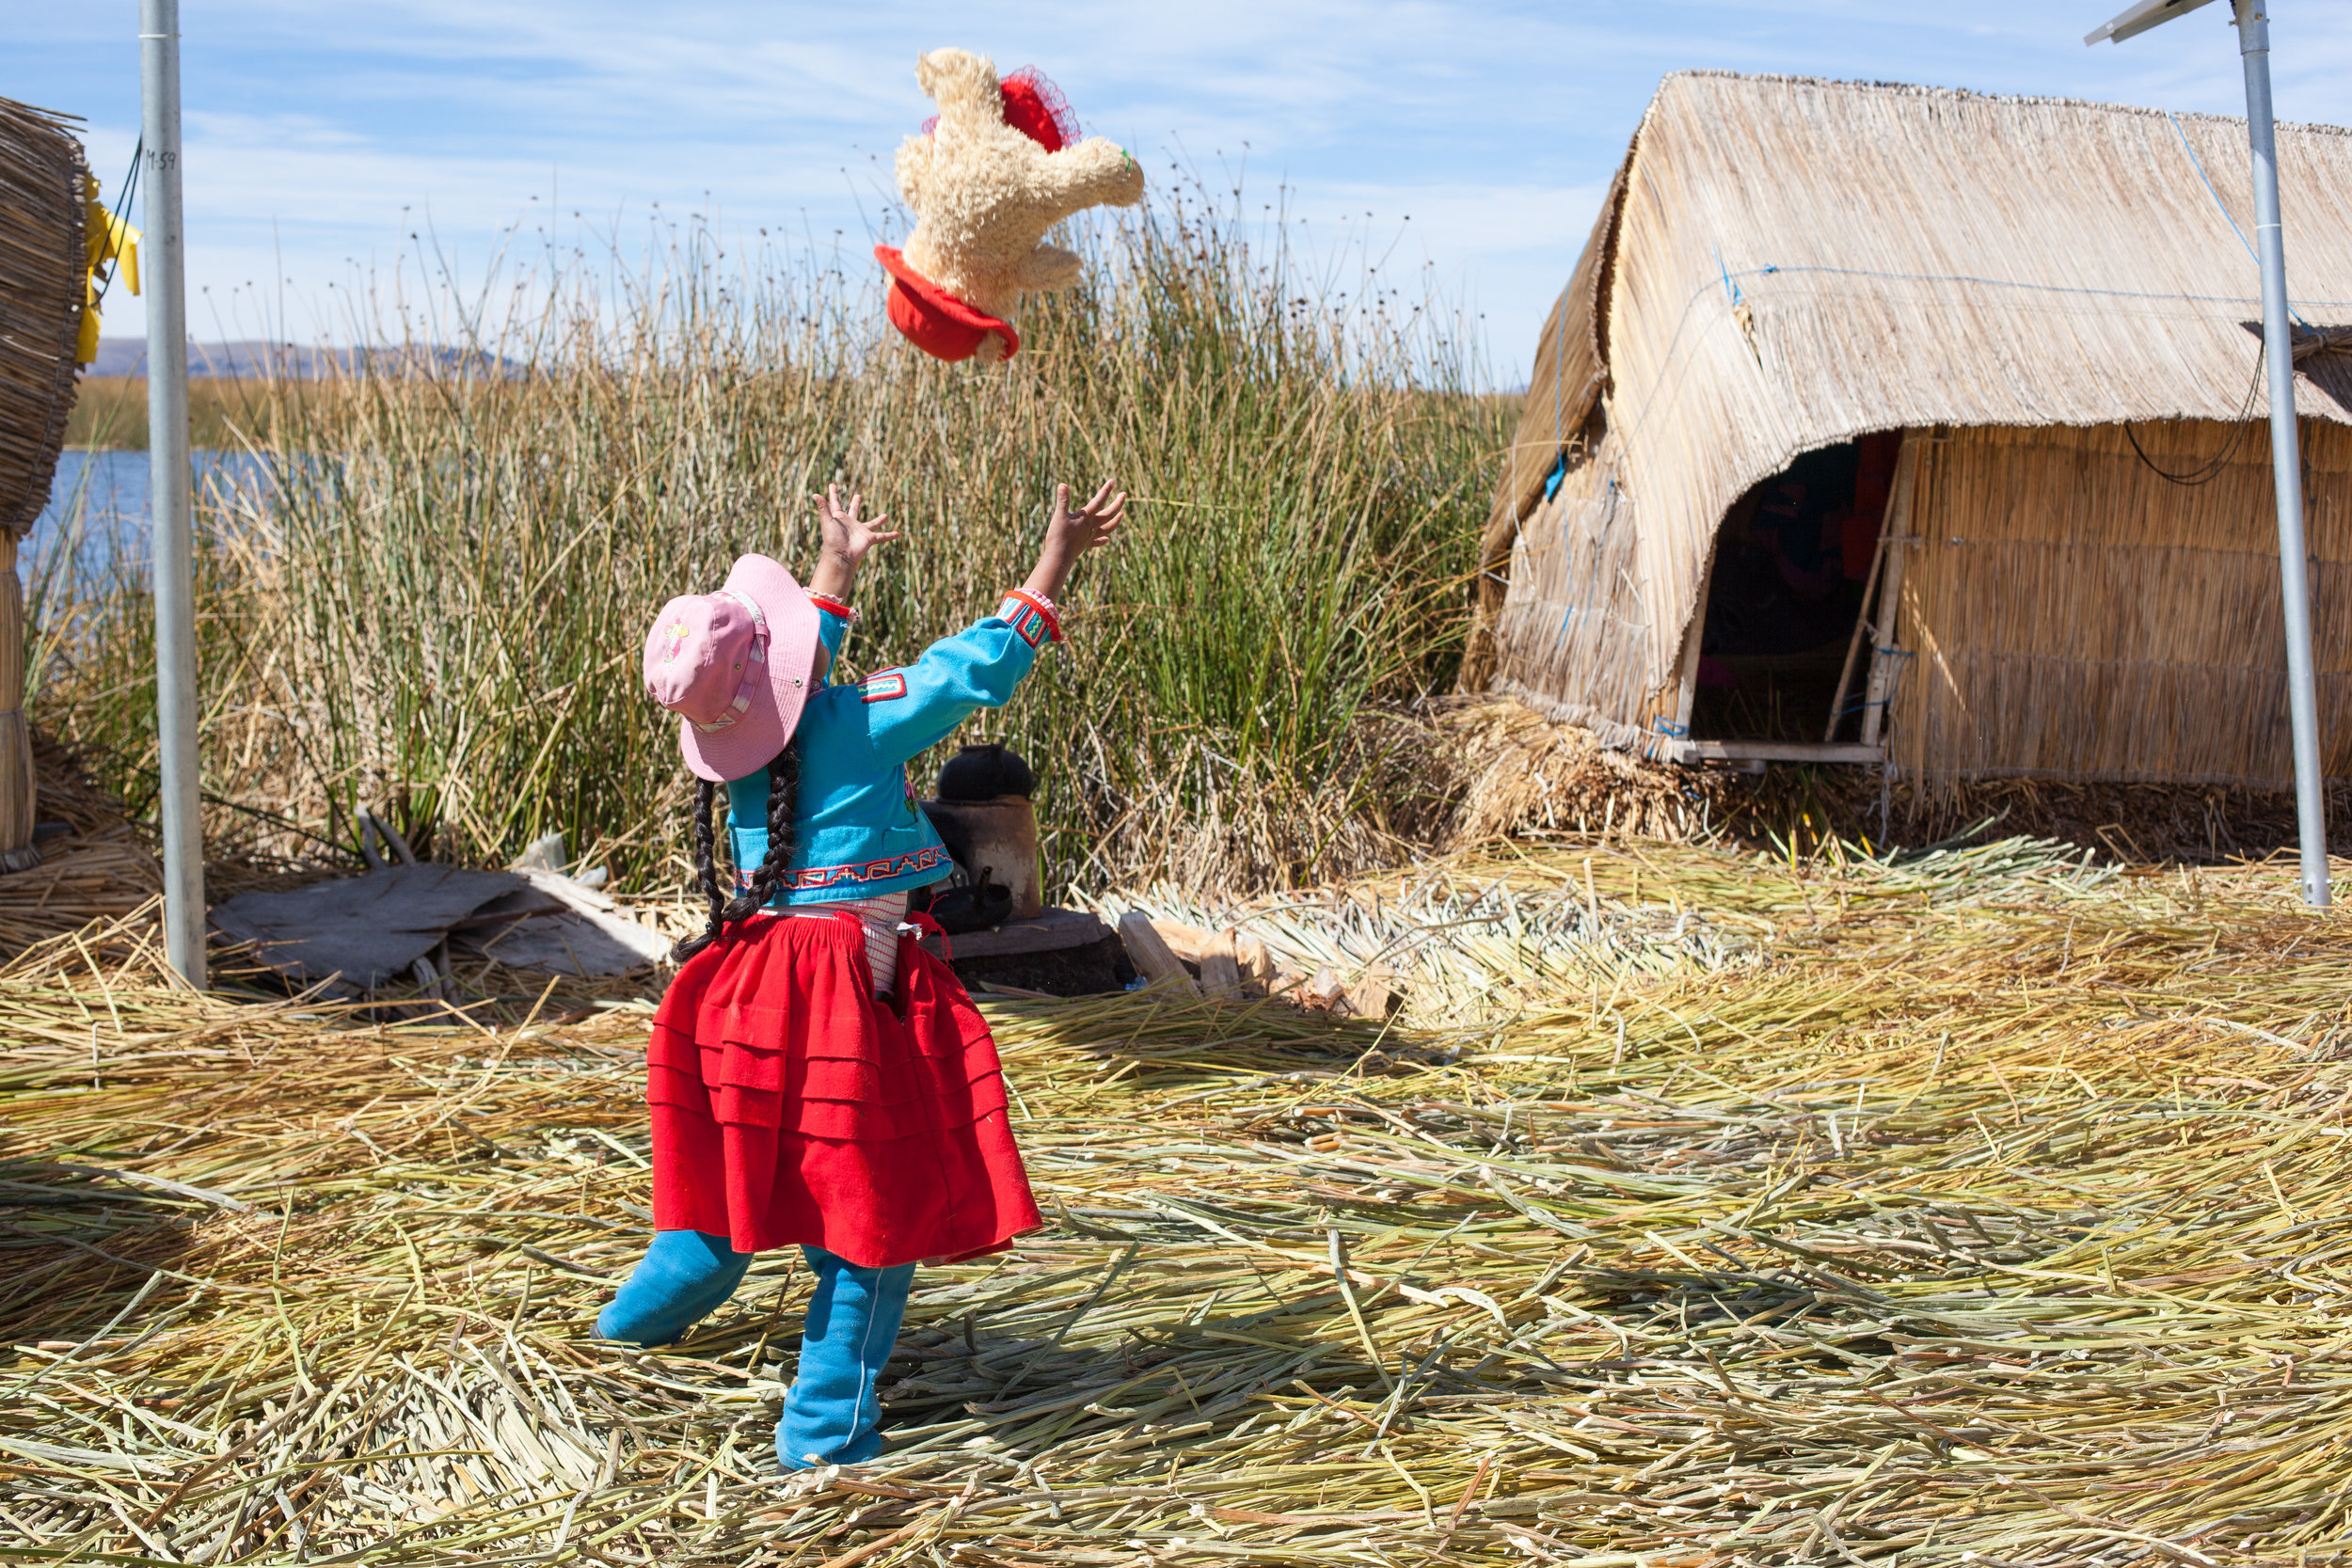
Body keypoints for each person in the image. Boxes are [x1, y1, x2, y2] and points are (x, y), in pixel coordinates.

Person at [601, 478, 1126, 1471]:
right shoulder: (857, 722)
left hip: (738, 986)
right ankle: (824, 1433)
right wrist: (1056, 558)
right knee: (866, 1216)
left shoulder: (731, 746)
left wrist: (836, 566)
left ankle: (620, 1339)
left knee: (714, 1203)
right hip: (841, 991)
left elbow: (782, 677)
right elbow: (973, 668)